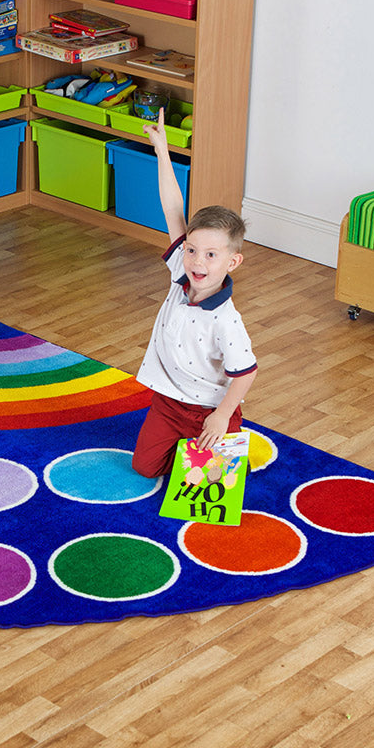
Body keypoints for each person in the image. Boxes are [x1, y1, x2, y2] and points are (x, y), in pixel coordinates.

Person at [131, 109, 257, 478]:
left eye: (211, 255)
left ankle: (226, 441)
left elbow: (245, 374)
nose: (197, 261)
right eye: (191, 250)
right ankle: (190, 451)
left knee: (214, 479)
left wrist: (221, 416)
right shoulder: (179, 273)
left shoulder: (226, 320)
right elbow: (173, 208)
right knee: (144, 468)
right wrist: (163, 152)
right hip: (169, 403)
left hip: (210, 410)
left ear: (233, 262)